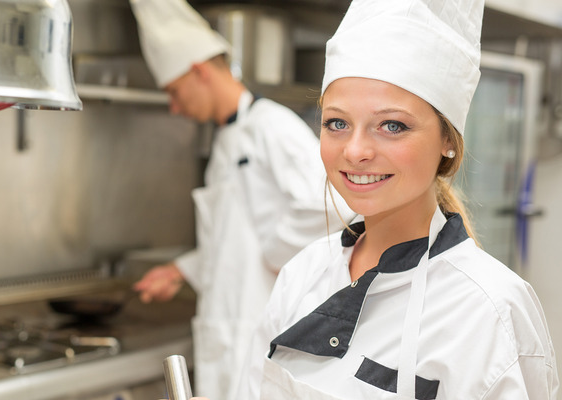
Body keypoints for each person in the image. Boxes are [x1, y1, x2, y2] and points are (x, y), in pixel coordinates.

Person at [224, 0, 558, 398]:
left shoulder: (490, 310)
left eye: (392, 125)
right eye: (337, 123)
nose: (355, 150)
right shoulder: (303, 275)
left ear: (448, 141)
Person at [128, 0, 354, 399]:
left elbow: (333, 200)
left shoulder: (271, 125)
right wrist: (181, 271)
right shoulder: (225, 143)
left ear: (198, 71)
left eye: (175, 92)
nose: (175, 107)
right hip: (224, 329)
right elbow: (233, 241)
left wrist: (274, 252)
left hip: (258, 328)